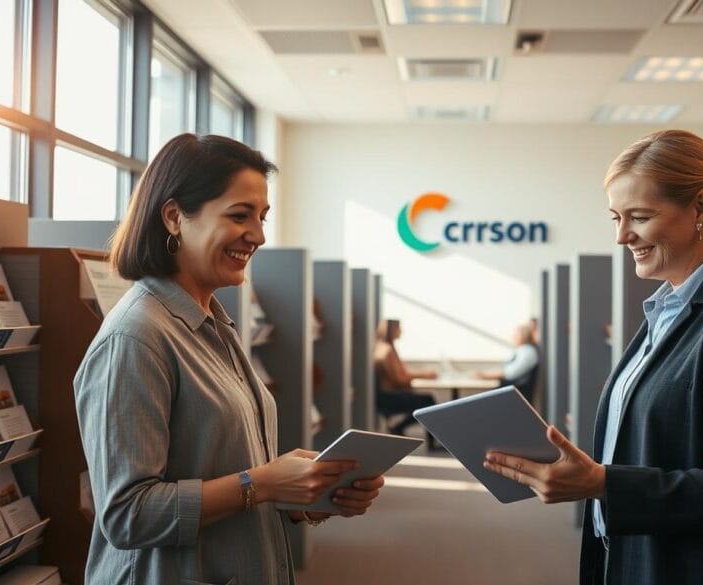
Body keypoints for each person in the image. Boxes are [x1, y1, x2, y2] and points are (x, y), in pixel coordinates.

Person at [483, 130, 703, 584]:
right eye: (616, 217)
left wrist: (602, 483)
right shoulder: (666, 310)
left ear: (701, 207)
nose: (622, 236)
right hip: (641, 559)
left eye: (639, 216)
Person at [74, 134, 384, 585]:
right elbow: (127, 516)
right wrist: (264, 483)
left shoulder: (215, 324)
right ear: (175, 217)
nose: (257, 235)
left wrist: (307, 495)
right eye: (240, 216)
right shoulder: (136, 337)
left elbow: (227, 476)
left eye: (261, 217)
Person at [373, 319, 437, 437]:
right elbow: (399, 380)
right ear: (392, 330)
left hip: (384, 396)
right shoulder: (387, 351)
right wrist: (424, 375)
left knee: (427, 400)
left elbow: (401, 374)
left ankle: (399, 427)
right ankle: (399, 427)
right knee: (428, 401)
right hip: (388, 398)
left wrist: (422, 374)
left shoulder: (380, 348)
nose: (401, 331)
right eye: (399, 328)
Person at [475, 323, 540, 402]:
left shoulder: (527, 351)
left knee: (481, 400)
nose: (513, 337)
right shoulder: (522, 350)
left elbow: (510, 373)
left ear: (524, 336)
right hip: (512, 390)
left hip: (516, 392)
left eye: (516, 335)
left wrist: (485, 375)